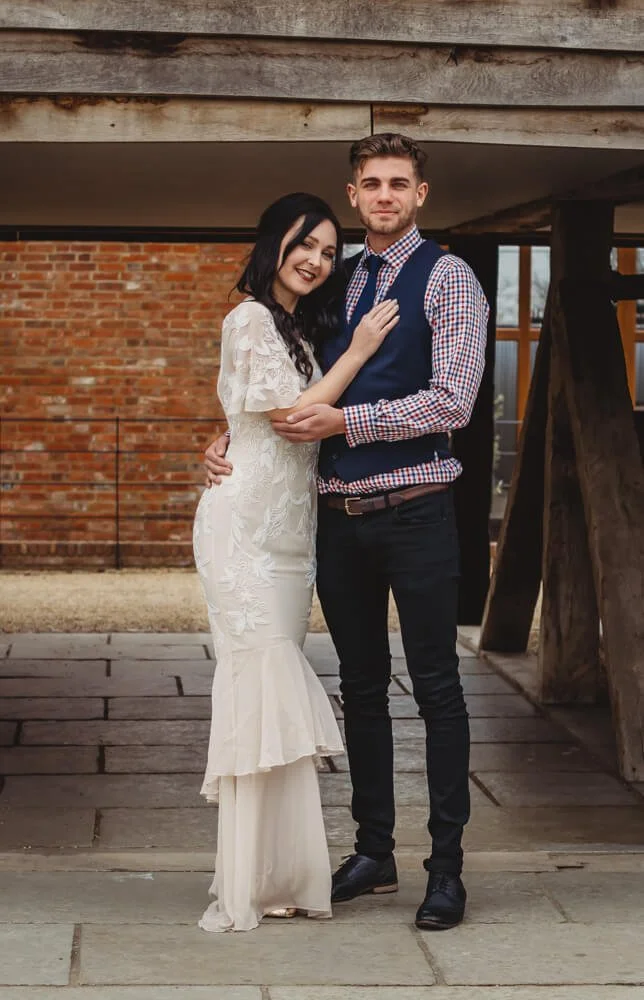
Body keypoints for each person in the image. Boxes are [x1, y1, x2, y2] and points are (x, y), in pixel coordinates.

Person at [205, 134, 489, 930]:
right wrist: (231, 431)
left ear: (421, 194)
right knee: (360, 688)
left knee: (436, 689)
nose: (386, 196)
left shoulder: (450, 279)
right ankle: (373, 851)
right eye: (372, 184)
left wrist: (347, 419)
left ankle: (447, 868)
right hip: (336, 518)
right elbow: (286, 379)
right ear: (354, 194)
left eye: (400, 183)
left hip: (419, 510)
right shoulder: (337, 280)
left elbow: (453, 402)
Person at [193, 191, 400, 933]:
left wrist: (220, 435)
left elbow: (257, 416)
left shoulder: (298, 329)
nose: (316, 258)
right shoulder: (250, 316)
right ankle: (242, 885)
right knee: (259, 686)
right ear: (273, 242)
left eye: (327, 249)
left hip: (290, 537)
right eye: (303, 243)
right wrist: (360, 352)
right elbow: (290, 420)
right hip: (244, 529)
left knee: (275, 699)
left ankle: (278, 874)